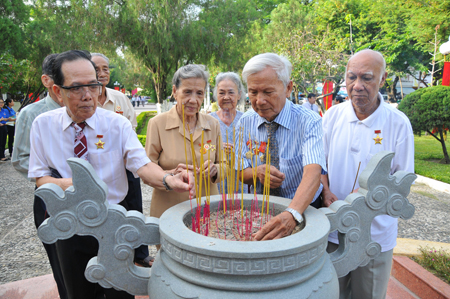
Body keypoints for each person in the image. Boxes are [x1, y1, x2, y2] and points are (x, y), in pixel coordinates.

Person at [28, 50, 193, 299]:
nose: (87, 96)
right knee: (77, 291)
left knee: (120, 291)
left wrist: (169, 180)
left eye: (93, 86)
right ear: (57, 92)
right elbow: (41, 179)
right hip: (70, 225)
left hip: (113, 222)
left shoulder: (117, 125)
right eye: (76, 88)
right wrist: (80, 187)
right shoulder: (43, 125)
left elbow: (142, 166)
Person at [321, 49, 414, 299]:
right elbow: (320, 166)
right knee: (331, 293)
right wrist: (326, 190)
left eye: (367, 78)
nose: (357, 86)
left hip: (376, 235)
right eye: (351, 77)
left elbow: (403, 182)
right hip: (334, 229)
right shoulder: (332, 116)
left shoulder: (398, 123)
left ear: (382, 80)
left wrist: (368, 196)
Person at [234, 53, 326, 241]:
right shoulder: (244, 123)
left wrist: (293, 214)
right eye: (253, 92)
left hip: (304, 208)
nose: (259, 100)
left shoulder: (309, 121)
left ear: (288, 88)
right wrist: (257, 172)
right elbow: (240, 172)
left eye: (268, 92)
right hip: (260, 209)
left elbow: (313, 173)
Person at [11, 53, 67, 298]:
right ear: (48, 81)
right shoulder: (31, 114)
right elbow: (20, 158)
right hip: (51, 198)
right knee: (62, 263)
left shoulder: (90, 112)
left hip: (90, 196)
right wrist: (55, 177)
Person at [91, 53, 152, 267]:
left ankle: (141, 252)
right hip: (97, 168)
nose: (102, 73)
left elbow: (131, 129)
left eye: (106, 68)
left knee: (134, 208)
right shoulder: (84, 100)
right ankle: (107, 252)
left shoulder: (119, 98)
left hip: (125, 164)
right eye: (96, 68)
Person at [145, 64, 227, 220]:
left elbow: (223, 164)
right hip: (169, 208)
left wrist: (215, 170)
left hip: (207, 206)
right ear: (175, 92)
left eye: (199, 93)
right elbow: (147, 169)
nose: (193, 100)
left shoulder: (212, 124)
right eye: (187, 92)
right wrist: (172, 176)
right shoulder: (157, 124)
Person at [210, 72, 248, 194]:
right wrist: (216, 148)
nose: (226, 97)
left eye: (231, 92)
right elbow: (200, 148)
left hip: (241, 180)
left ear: (239, 95)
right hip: (216, 180)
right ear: (216, 94)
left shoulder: (247, 120)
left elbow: (255, 148)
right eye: (221, 93)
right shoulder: (207, 121)